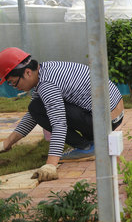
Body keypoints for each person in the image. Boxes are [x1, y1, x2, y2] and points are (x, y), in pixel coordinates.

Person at [0, 47, 124, 182]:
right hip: (108, 116)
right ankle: (91, 143)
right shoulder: (45, 71)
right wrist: (6, 144)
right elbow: (32, 116)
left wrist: (51, 165)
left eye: (13, 82)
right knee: (37, 107)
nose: (15, 87)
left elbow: (58, 123)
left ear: (28, 72)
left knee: (39, 108)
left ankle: (87, 147)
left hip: (104, 121)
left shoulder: (46, 84)